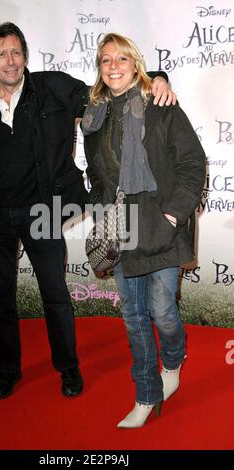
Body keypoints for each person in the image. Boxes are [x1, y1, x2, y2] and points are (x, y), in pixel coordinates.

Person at [0, 23, 176, 400]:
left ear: (25, 55)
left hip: (45, 212)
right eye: (2, 54)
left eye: (17, 52)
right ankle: (7, 370)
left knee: (55, 294)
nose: (11, 61)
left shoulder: (52, 87)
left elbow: (110, 94)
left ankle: (68, 368)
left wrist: (158, 79)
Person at [82, 33, 206, 427]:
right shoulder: (95, 116)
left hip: (162, 225)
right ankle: (146, 395)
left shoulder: (161, 104)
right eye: (105, 60)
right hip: (123, 231)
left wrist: (173, 215)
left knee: (163, 312)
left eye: (121, 58)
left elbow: (193, 162)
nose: (114, 65)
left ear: (136, 63)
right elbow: (98, 176)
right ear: (99, 68)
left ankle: (173, 359)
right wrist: (100, 211)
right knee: (135, 317)